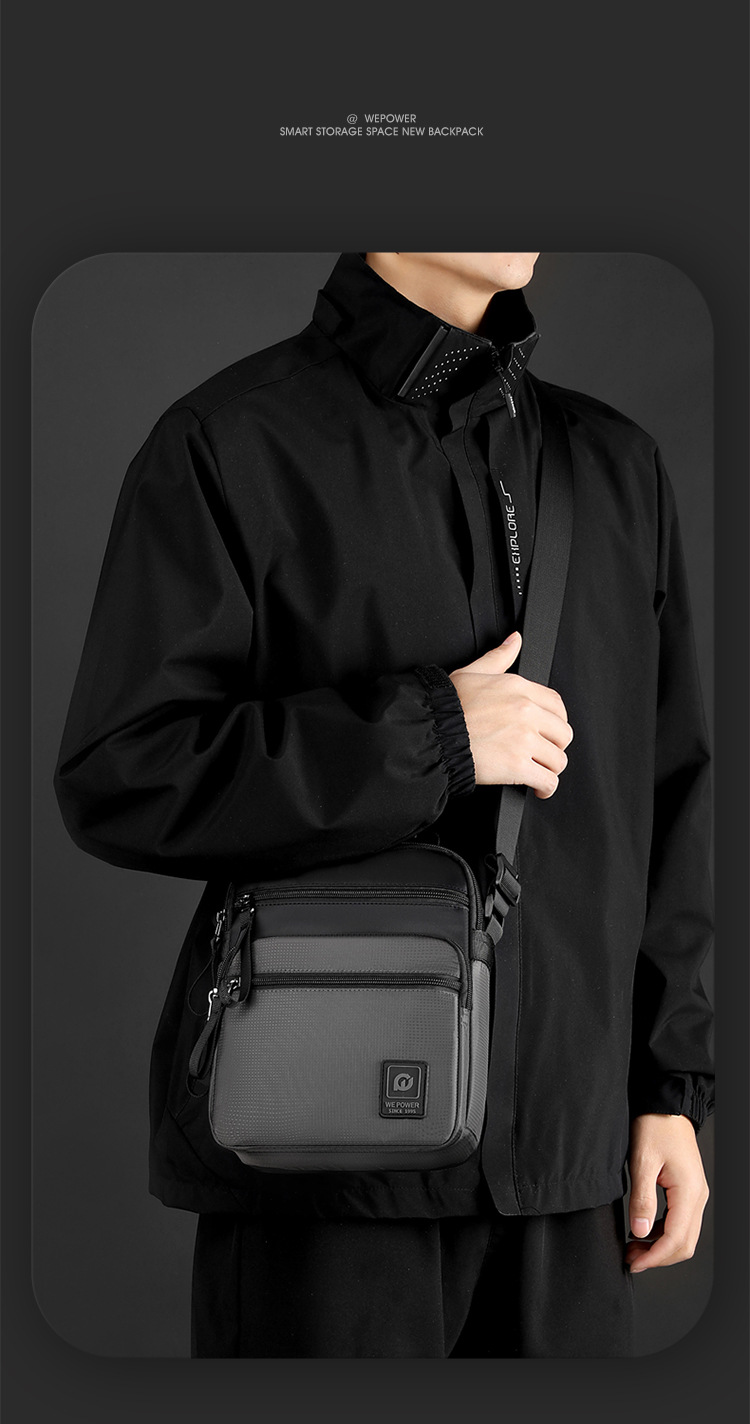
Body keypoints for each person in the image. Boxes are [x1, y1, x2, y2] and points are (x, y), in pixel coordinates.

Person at [53, 251, 714, 1358]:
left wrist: (671, 1090)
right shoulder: (231, 441)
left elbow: (673, 796)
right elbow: (123, 771)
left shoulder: (616, 465)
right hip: (327, 1171)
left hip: (569, 1172)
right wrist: (430, 736)